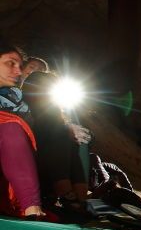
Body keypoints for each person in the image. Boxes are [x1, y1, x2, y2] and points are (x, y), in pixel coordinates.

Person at [22, 71, 89, 214]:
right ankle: (68, 195)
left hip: (47, 172)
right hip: (28, 169)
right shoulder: (22, 109)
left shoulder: (55, 117)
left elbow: (87, 136)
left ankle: (79, 198)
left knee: (68, 137)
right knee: (61, 132)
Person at [0, 42, 43, 218]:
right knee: (11, 128)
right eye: (10, 63)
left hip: (14, 162)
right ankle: (30, 207)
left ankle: (72, 197)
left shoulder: (18, 100)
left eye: (20, 66)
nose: (18, 71)